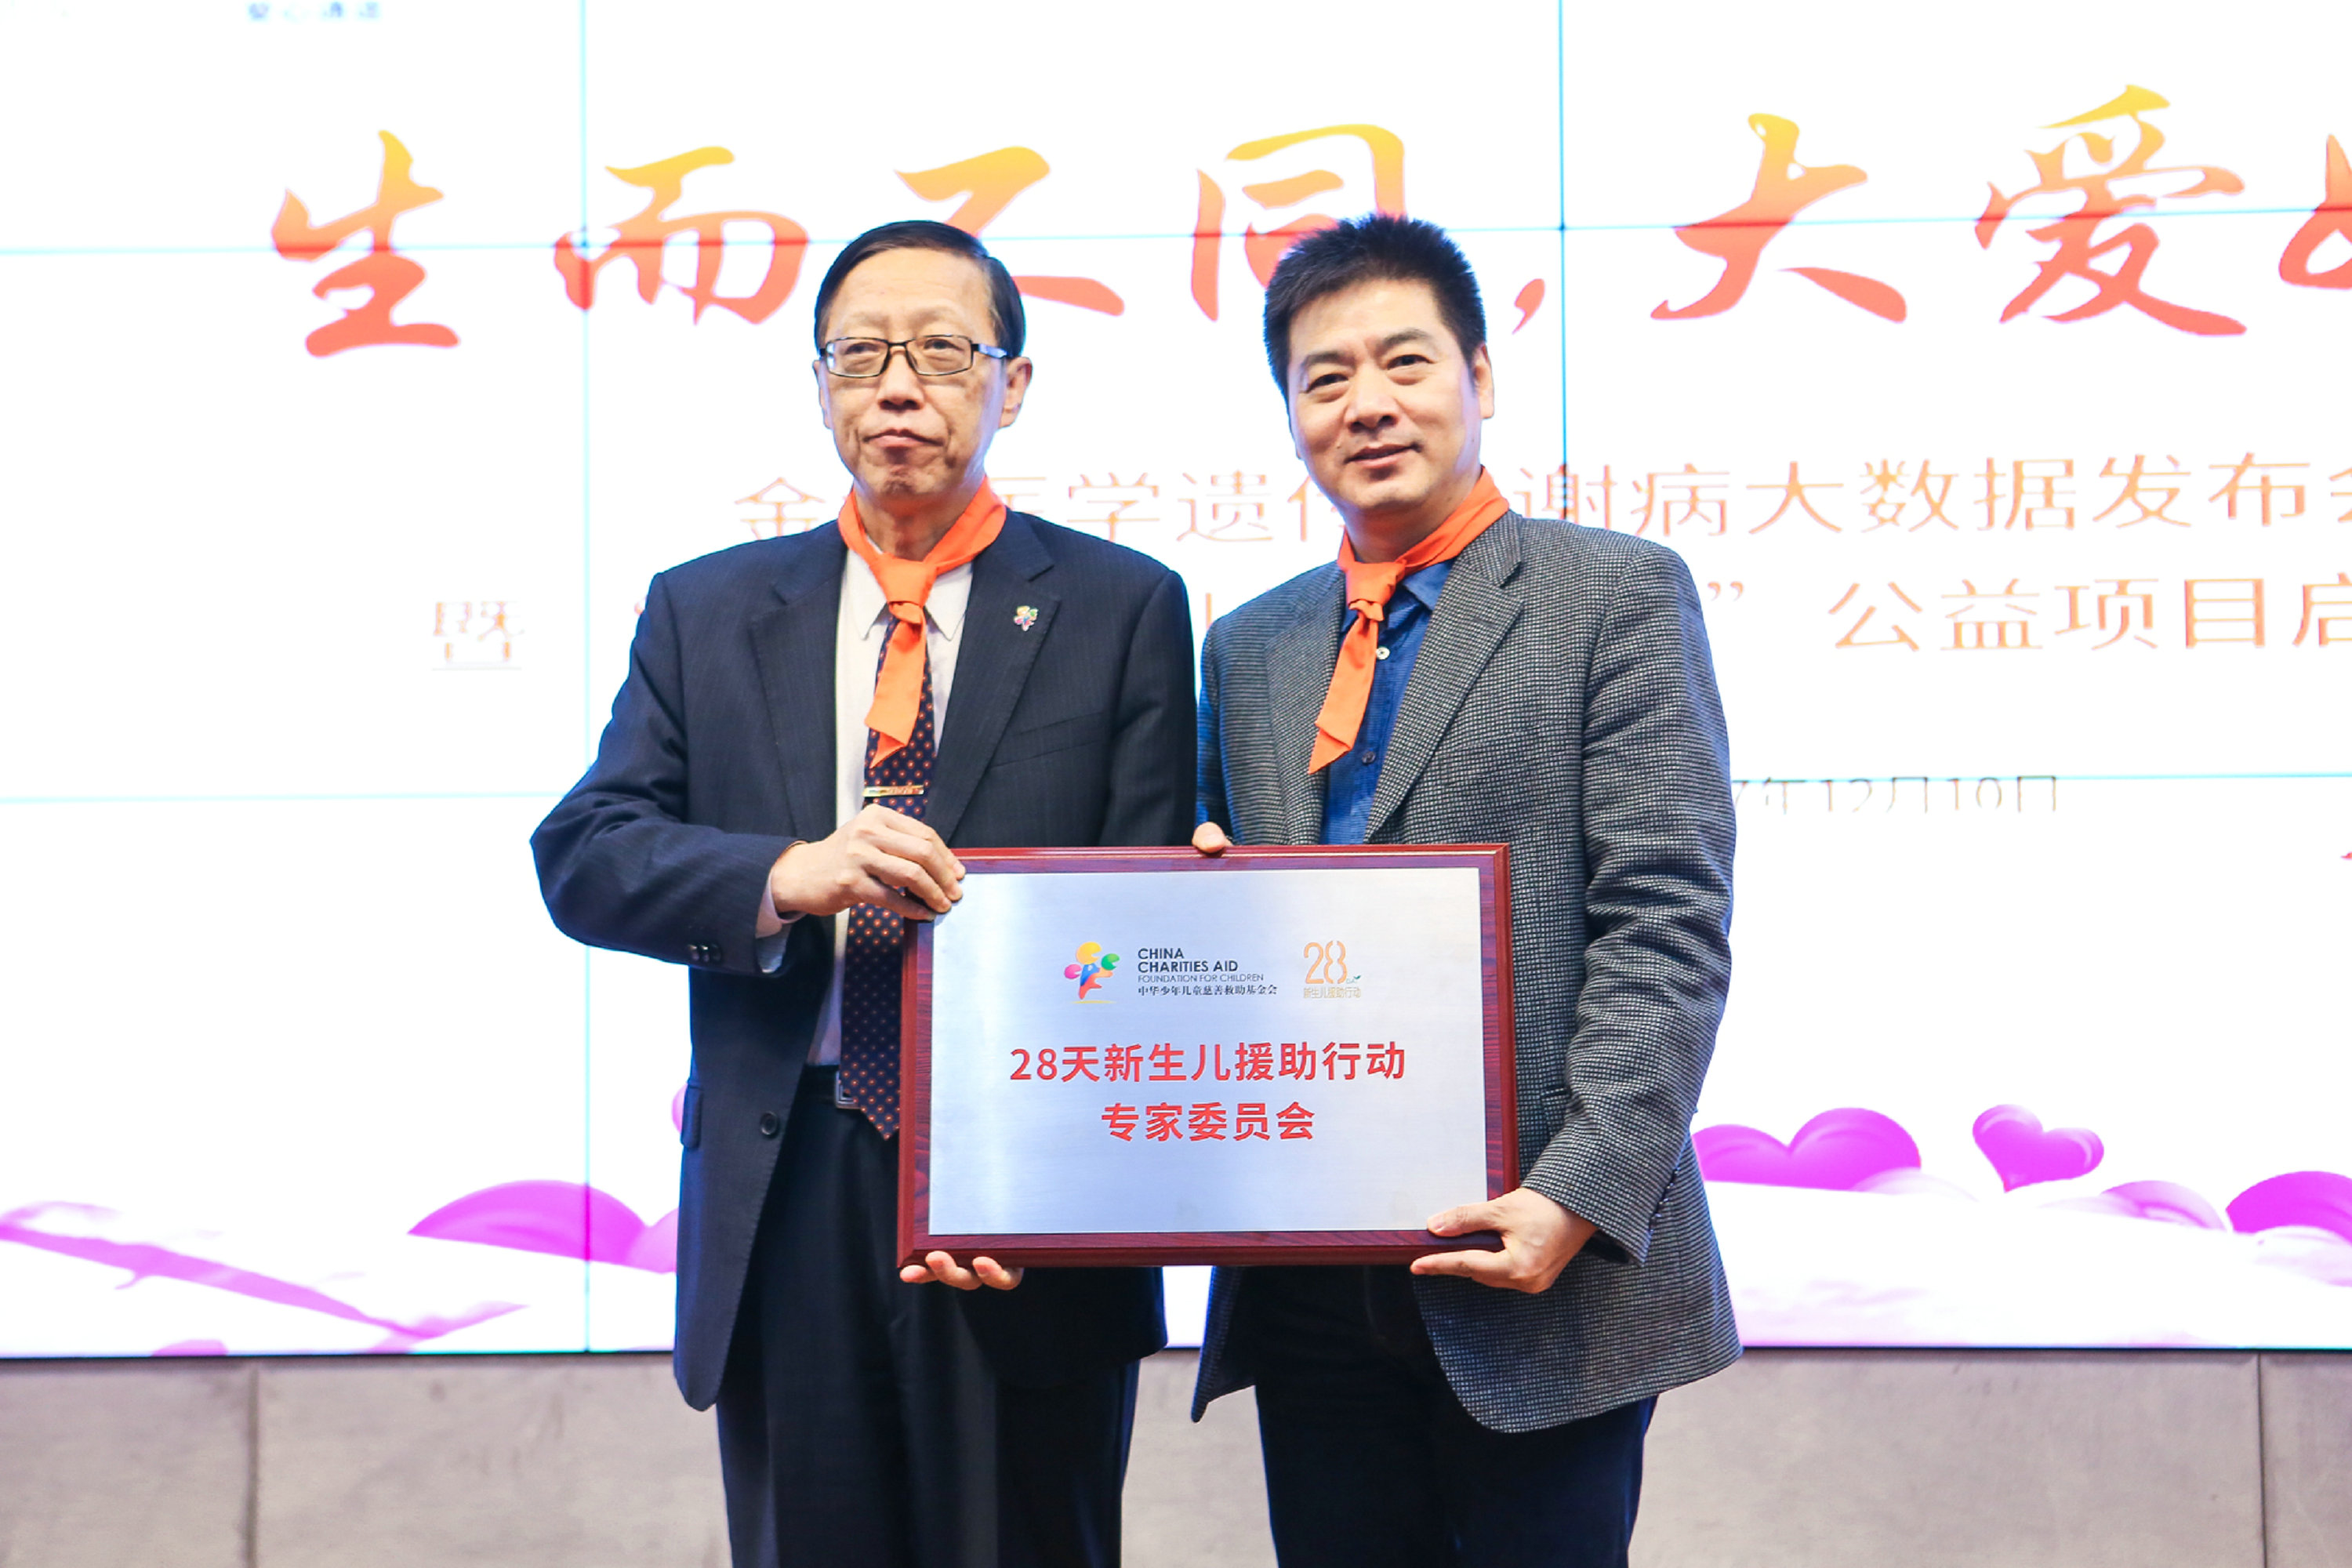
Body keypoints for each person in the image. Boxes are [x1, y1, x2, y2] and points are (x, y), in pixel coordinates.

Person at [532, 219, 1194, 1568]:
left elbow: (1143, 925)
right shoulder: (707, 611)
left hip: (1020, 1201)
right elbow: (586, 853)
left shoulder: (1122, 604)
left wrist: (1049, 1186)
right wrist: (785, 875)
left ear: (1013, 384)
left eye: (943, 352)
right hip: (792, 1180)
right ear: (820, 385)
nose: (899, 386)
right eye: (861, 354)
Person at [1189, 213, 1740, 1567]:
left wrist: (1580, 1193)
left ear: (1479, 376)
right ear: (1291, 415)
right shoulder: (1249, 645)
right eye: (1325, 378)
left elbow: (1665, 920)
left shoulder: (1613, 592)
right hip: (1314, 1274)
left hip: (1539, 1261)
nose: (1368, 404)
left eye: (1406, 362)